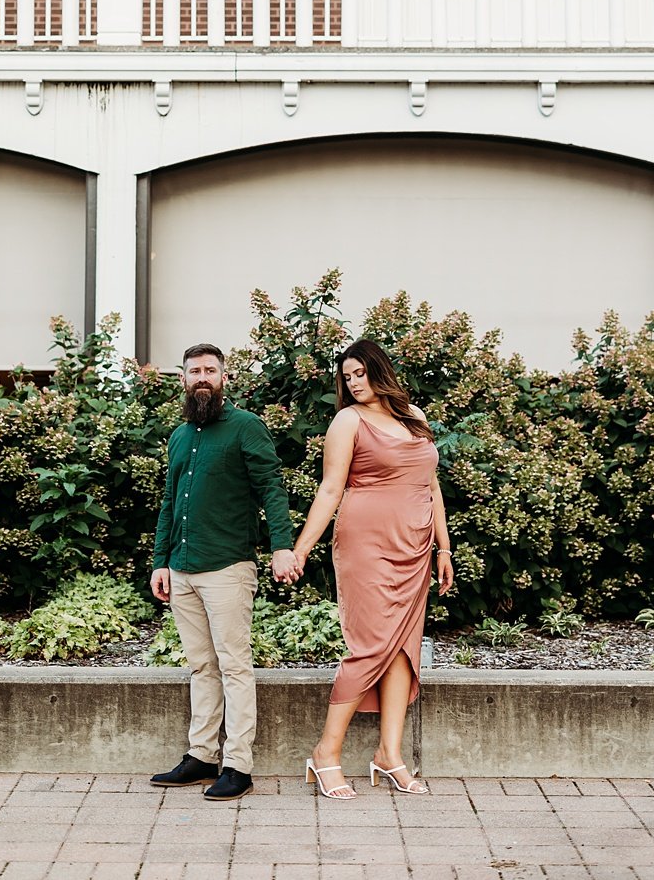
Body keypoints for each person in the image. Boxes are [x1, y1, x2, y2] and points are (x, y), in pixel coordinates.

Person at [292, 339, 453, 799]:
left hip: (416, 546)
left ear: (380, 371)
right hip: (365, 545)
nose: (354, 383)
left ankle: (389, 756)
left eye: (360, 373)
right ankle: (326, 753)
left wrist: (444, 549)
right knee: (368, 647)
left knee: (404, 648)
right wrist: (302, 549)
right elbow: (329, 491)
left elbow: (432, 487)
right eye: (347, 377)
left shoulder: (415, 417)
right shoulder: (347, 420)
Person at [150, 342, 300, 801]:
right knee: (201, 666)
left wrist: (282, 547)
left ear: (224, 379)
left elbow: (271, 488)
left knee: (234, 666)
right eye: (193, 370)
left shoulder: (245, 427)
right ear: (182, 379)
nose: (202, 377)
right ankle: (201, 756)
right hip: (183, 569)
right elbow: (170, 503)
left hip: (228, 567)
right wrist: (161, 561)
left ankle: (238, 764)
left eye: (210, 370)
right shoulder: (178, 436)